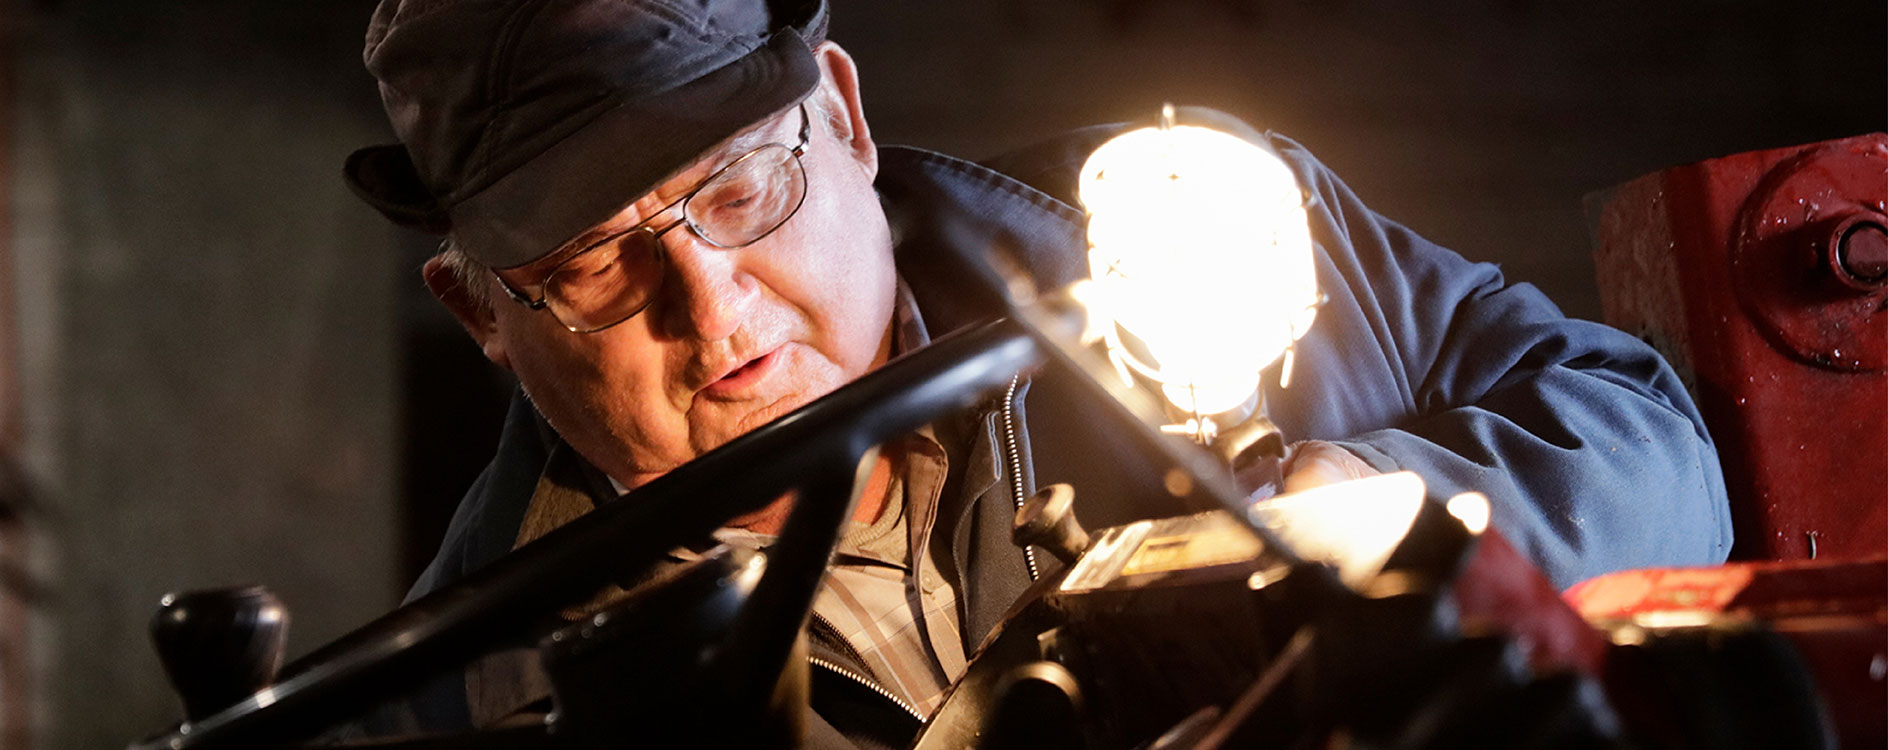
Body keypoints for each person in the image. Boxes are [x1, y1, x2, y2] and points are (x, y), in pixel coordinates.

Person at [342, 0, 1731, 745]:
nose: (712, 313)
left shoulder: (1187, 223)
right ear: (481, 313)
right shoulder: (465, 689)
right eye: (593, 261)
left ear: (844, 114)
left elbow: (1660, 456)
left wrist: (1380, 507)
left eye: (742, 185)